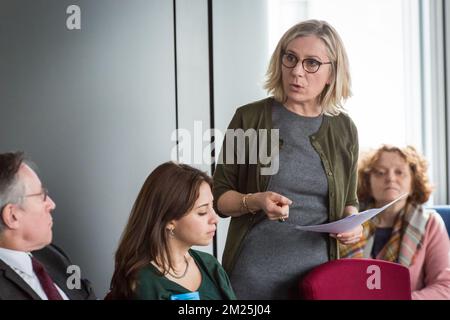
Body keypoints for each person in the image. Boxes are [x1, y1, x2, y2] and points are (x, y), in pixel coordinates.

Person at [213, 19, 362, 299]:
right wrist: (255, 201)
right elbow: (219, 198)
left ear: (332, 73)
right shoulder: (250, 118)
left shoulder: (345, 128)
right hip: (251, 279)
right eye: (290, 58)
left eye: (312, 63)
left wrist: (352, 223)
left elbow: (349, 202)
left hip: (319, 281)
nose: (296, 72)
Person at [108, 161, 236, 300]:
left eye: (212, 207)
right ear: (169, 221)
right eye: (202, 212)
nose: (215, 219)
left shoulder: (210, 265)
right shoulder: (143, 282)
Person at [340, 145, 450, 300]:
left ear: (414, 182)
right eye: (380, 172)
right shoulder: (348, 223)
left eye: (399, 172)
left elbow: (445, 288)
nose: (390, 178)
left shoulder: (431, 223)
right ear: (367, 182)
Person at [0, 152, 96, 300]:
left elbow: (83, 294)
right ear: (12, 216)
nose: (52, 204)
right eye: (41, 195)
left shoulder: (53, 255)